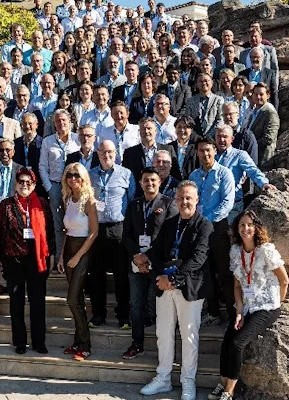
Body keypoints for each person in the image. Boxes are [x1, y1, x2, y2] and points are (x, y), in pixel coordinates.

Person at [140, 181, 213, 398]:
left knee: (188, 336)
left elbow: (198, 259)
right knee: (163, 333)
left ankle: (187, 381)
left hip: (189, 287)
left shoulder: (204, 225)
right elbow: (158, 251)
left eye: (189, 197)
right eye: (180, 198)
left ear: (197, 199)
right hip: (165, 285)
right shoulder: (170, 223)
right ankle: (163, 378)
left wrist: (173, 278)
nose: (184, 202)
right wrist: (156, 272)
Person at [208, 210, 289, 400]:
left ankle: (229, 391)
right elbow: (237, 285)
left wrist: (278, 303)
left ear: (256, 227)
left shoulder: (266, 250)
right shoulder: (236, 251)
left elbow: (284, 281)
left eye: (250, 225)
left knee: (238, 343)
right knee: (227, 341)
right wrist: (238, 311)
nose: (246, 229)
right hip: (246, 305)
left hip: (267, 306)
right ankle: (222, 383)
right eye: (242, 225)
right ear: (237, 229)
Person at [0, 167, 55, 354]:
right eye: (21, 182)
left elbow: (49, 233)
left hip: (36, 259)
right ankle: (19, 341)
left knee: (37, 302)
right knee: (16, 302)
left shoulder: (42, 204)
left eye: (28, 182)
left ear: (34, 184)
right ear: (16, 184)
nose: (24, 185)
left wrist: (50, 255)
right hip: (13, 259)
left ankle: (39, 342)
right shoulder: (6, 205)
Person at [121, 167, 178, 360]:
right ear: (140, 183)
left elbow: (168, 237)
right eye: (146, 180)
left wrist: (148, 257)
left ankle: (165, 349)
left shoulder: (169, 204)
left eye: (153, 180)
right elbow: (126, 235)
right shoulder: (133, 205)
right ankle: (137, 344)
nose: (150, 183)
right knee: (136, 305)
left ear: (159, 182)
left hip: (159, 263)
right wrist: (137, 255)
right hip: (137, 263)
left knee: (161, 307)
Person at [87, 140, 136, 329]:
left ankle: (123, 315)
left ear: (116, 153)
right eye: (103, 152)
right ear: (97, 153)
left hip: (118, 228)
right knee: (96, 274)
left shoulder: (126, 174)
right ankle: (98, 314)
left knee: (121, 274)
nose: (106, 156)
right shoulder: (90, 175)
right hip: (97, 229)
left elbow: (131, 202)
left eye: (110, 152)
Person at [188, 138, 235, 327]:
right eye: (201, 151)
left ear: (214, 151)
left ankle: (233, 313)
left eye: (208, 150)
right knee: (205, 273)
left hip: (218, 228)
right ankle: (213, 312)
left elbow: (227, 203)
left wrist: (205, 219)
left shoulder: (224, 174)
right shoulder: (193, 175)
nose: (204, 154)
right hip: (199, 230)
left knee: (224, 272)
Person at [57, 163, 99, 361]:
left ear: (83, 178)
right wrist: (62, 256)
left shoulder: (89, 201)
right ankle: (78, 342)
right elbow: (67, 231)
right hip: (69, 248)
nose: (73, 178)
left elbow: (94, 232)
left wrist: (77, 256)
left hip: (83, 251)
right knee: (78, 300)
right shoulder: (68, 199)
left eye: (77, 175)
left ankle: (86, 343)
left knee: (72, 299)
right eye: (69, 175)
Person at [39, 109, 80, 267]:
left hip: (75, 185)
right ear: (54, 124)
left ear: (70, 122)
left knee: (75, 221)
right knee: (58, 224)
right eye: (58, 121)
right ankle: (59, 260)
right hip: (56, 186)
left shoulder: (77, 139)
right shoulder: (47, 141)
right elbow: (42, 167)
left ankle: (74, 257)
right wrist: (50, 188)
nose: (61, 123)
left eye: (64, 120)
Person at [214, 125, 277, 222]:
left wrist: (264, 183)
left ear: (232, 139)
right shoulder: (210, 155)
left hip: (233, 207)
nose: (221, 139)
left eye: (225, 137)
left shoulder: (239, 155)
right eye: (219, 136)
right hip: (213, 206)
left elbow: (253, 170)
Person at [122, 117, 176, 196]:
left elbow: (175, 173)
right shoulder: (129, 153)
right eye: (143, 129)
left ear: (155, 131)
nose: (146, 131)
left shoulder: (168, 149)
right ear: (139, 132)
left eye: (149, 128)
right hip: (139, 196)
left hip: (164, 195)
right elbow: (126, 177)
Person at [243, 83, 280, 165]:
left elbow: (269, 138)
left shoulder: (270, 113)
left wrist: (250, 144)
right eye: (256, 94)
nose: (258, 97)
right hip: (252, 156)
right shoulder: (254, 112)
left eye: (261, 94)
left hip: (263, 159)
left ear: (268, 95)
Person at [185, 73, 224, 138]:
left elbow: (220, 119)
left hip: (214, 137)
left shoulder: (218, 100)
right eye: (200, 81)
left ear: (211, 83)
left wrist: (209, 136)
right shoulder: (191, 101)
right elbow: (188, 120)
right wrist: (196, 136)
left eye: (206, 81)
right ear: (197, 84)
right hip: (196, 138)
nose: (203, 83)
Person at [170, 116, 199, 180]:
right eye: (179, 127)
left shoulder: (196, 148)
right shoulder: (169, 147)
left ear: (191, 130)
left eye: (185, 127)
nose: (182, 130)